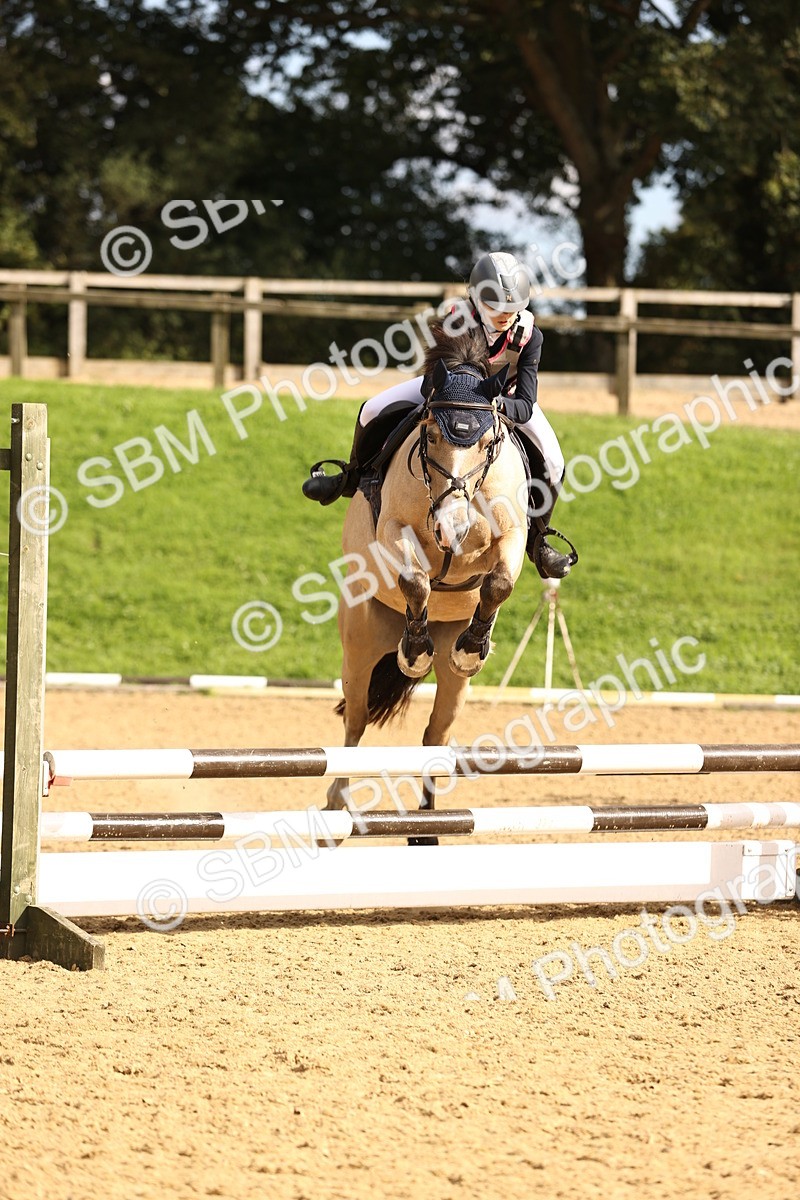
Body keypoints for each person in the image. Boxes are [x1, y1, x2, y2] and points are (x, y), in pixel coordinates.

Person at [302, 251, 577, 578]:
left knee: (556, 460)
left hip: (505, 398)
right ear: (475, 299)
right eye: (495, 307)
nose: (505, 315)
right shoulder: (457, 318)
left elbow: (527, 403)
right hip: (446, 391)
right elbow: (432, 380)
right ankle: (351, 476)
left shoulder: (530, 336)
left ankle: (538, 537)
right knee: (371, 409)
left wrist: (498, 406)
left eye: (513, 308)